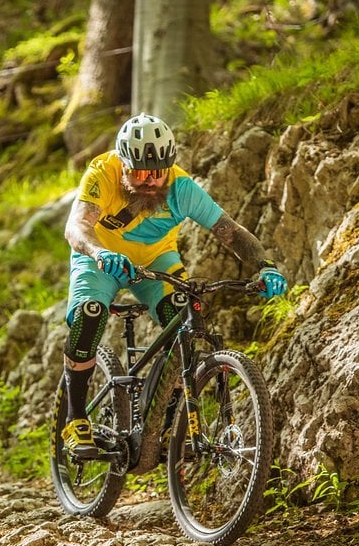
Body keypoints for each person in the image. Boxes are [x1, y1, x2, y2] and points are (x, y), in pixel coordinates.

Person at [61, 113, 287, 457]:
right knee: (90, 314)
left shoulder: (182, 189)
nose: (151, 179)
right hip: (101, 257)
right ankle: (75, 419)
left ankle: (161, 427)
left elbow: (232, 233)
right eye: (140, 171)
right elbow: (77, 226)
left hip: (156, 261)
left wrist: (265, 266)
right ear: (122, 163)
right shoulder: (102, 173)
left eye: (159, 171)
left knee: (184, 321)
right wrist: (99, 252)